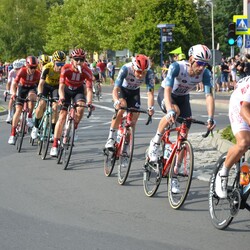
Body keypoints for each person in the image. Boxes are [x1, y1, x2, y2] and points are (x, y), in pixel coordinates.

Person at [147, 44, 216, 193]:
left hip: (184, 98)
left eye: (206, 64)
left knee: (185, 133)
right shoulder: (177, 67)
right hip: (167, 94)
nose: (202, 67)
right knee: (175, 111)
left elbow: (209, 96)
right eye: (200, 63)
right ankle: (156, 141)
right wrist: (170, 110)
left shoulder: (205, 74)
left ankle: (175, 174)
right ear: (191, 59)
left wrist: (211, 118)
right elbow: (167, 90)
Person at [104, 54, 155, 150]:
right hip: (122, 90)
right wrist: (116, 101)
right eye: (139, 71)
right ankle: (110, 138)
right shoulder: (126, 69)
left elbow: (150, 94)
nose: (141, 75)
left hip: (135, 92)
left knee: (134, 119)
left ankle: (126, 147)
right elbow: (115, 89)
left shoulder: (149, 73)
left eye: (143, 72)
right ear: (133, 67)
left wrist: (150, 108)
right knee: (122, 107)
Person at [50, 48, 93, 157]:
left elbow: (88, 89)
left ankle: (74, 127)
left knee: (81, 107)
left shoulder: (87, 71)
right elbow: (60, 86)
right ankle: (55, 145)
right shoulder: (65, 68)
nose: (79, 62)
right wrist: (62, 98)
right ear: (71, 59)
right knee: (62, 116)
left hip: (78, 90)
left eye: (81, 60)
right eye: (76, 59)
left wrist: (90, 102)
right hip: (67, 90)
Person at [215, 76, 250, 199]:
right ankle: (223, 173)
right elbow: (244, 109)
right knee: (244, 142)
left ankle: (245, 177)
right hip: (240, 106)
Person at [31, 51, 66, 140]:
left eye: (62, 64)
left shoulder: (64, 69)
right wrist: (39, 93)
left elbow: (65, 84)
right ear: (54, 62)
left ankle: (53, 132)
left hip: (56, 87)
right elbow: (41, 84)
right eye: (58, 64)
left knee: (55, 107)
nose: (60, 67)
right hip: (46, 85)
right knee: (42, 103)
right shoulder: (47, 67)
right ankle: (35, 127)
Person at [8, 56, 40, 145]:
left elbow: (41, 85)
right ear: (26, 65)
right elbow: (15, 83)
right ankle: (12, 134)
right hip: (22, 88)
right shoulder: (22, 71)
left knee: (32, 97)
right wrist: (14, 93)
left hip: (31, 88)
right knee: (18, 110)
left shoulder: (38, 73)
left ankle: (29, 116)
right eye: (31, 67)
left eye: (35, 67)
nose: (33, 69)